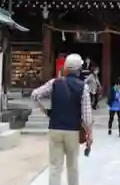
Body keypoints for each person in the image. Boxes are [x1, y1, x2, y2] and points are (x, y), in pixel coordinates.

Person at [31, 53, 93, 185]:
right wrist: (89, 133)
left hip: (55, 128)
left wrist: (46, 111)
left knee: (55, 167)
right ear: (79, 69)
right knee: (72, 166)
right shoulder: (83, 87)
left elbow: (35, 95)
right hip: (73, 130)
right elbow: (87, 116)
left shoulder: (54, 83)